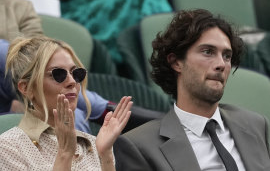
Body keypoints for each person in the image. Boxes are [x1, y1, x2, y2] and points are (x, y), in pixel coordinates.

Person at [113, 9, 270, 171]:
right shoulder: (140, 146)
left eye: (227, 56)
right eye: (208, 52)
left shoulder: (255, 124)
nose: (221, 64)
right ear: (176, 62)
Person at [0, 36, 132, 170]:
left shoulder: (94, 143)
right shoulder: (8, 147)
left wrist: (106, 157)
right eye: (58, 74)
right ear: (26, 88)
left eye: (76, 73)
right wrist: (64, 154)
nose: (72, 81)